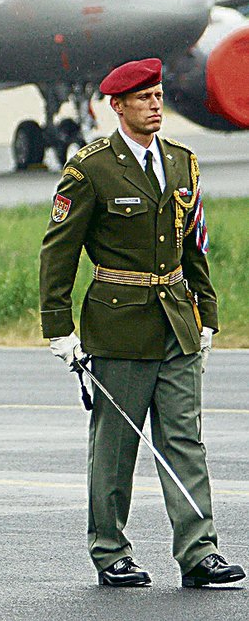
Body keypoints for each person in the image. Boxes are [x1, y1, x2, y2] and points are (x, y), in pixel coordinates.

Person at [39, 58, 245, 588]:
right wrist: (59, 329)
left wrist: (207, 310)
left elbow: (192, 244)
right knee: (115, 449)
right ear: (118, 106)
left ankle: (199, 553)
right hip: (119, 325)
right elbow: (57, 253)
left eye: (158, 95)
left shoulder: (182, 163)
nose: (156, 105)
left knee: (185, 440)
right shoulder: (91, 168)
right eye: (144, 98)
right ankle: (111, 552)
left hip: (176, 320)